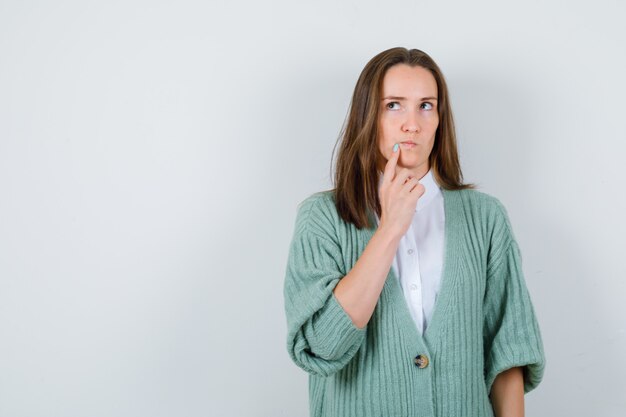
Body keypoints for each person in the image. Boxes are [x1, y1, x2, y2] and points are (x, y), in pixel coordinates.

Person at [283, 47, 545, 417]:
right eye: (394, 105)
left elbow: (508, 355)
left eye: (426, 105)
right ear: (368, 116)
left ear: (440, 119)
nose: (412, 123)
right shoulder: (322, 218)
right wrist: (390, 228)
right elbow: (322, 347)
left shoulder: (485, 219)